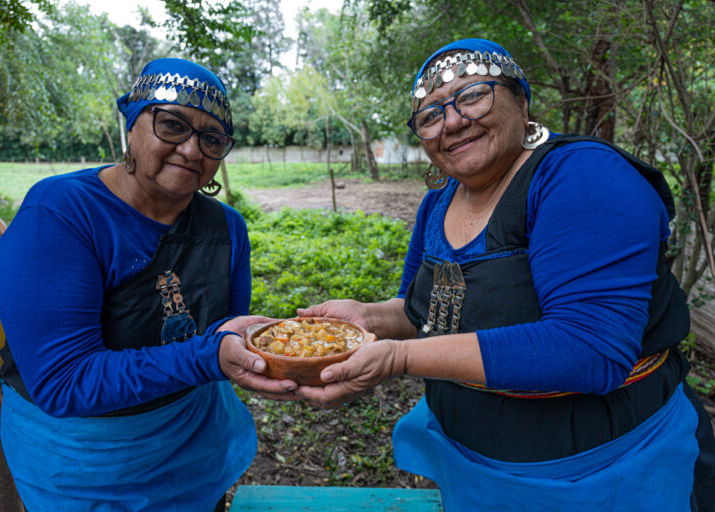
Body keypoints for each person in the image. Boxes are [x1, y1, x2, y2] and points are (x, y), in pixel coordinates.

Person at [297, 39, 715, 511]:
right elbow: (425, 315)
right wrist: (368, 319)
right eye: (430, 116)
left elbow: (590, 348)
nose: (452, 121)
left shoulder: (581, 175)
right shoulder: (438, 203)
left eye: (472, 94)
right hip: (473, 469)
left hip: (606, 472)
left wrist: (397, 358)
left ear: (522, 101)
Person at [0, 58, 297, 512]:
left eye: (212, 139)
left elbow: (227, 327)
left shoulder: (226, 227)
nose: (192, 151)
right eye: (172, 125)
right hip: (83, 463)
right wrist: (211, 355)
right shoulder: (62, 214)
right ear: (131, 125)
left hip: (189, 441)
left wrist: (278, 353)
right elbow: (62, 382)